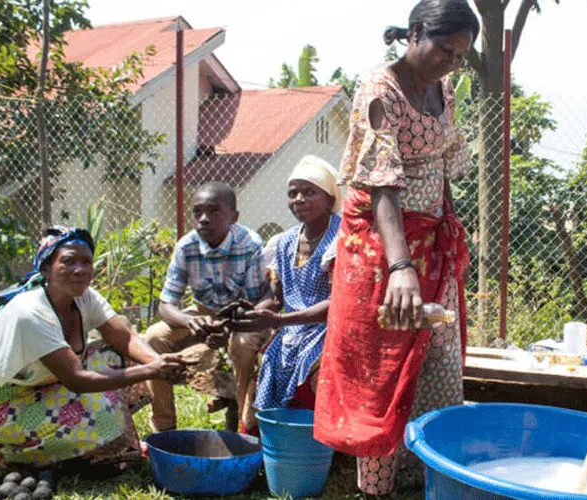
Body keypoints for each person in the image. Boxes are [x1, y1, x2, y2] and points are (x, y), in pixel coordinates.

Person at [312, 0, 478, 495]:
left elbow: (447, 165)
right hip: (384, 252)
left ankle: (435, 480)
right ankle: (377, 491)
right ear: (414, 34)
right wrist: (401, 266)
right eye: (444, 47)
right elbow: (382, 185)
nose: (450, 60)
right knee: (383, 370)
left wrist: (447, 235)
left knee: (440, 360)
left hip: (433, 245)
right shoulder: (379, 89)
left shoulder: (443, 89)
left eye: (460, 54)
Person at [0, 226, 187, 468]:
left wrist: (157, 362)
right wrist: (153, 370)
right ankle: (11, 450)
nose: (80, 270)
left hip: (41, 386)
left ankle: (67, 443)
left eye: (86, 262)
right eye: (68, 261)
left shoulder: (85, 297)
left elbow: (124, 337)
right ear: (46, 268)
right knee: (104, 415)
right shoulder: (30, 313)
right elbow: (78, 380)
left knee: (119, 356)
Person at [143, 182, 267, 432]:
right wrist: (189, 322)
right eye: (197, 212)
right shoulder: (186, 247)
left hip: (243, 315)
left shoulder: (250, 244)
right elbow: (167, 305)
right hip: (202, 312)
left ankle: (248, 429)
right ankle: (164, 430)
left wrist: (227, 328)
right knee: (153, 337)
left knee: (242, 345)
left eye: (214, 211)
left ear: (234, 217)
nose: (204, 219)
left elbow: (254, 303)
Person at [233, 155, 341, 417]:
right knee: (271, 357)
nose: (299, 199)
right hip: (292, 327)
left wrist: (280, 322)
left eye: (309, 192)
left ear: (329, 199)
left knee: (309, 364)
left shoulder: (342, 238)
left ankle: (314, 444)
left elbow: (339, 303)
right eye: (293, 193)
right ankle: (261, 436)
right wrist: (255, 314)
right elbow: (276, 296)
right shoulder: (283, 242)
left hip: (329, 327)